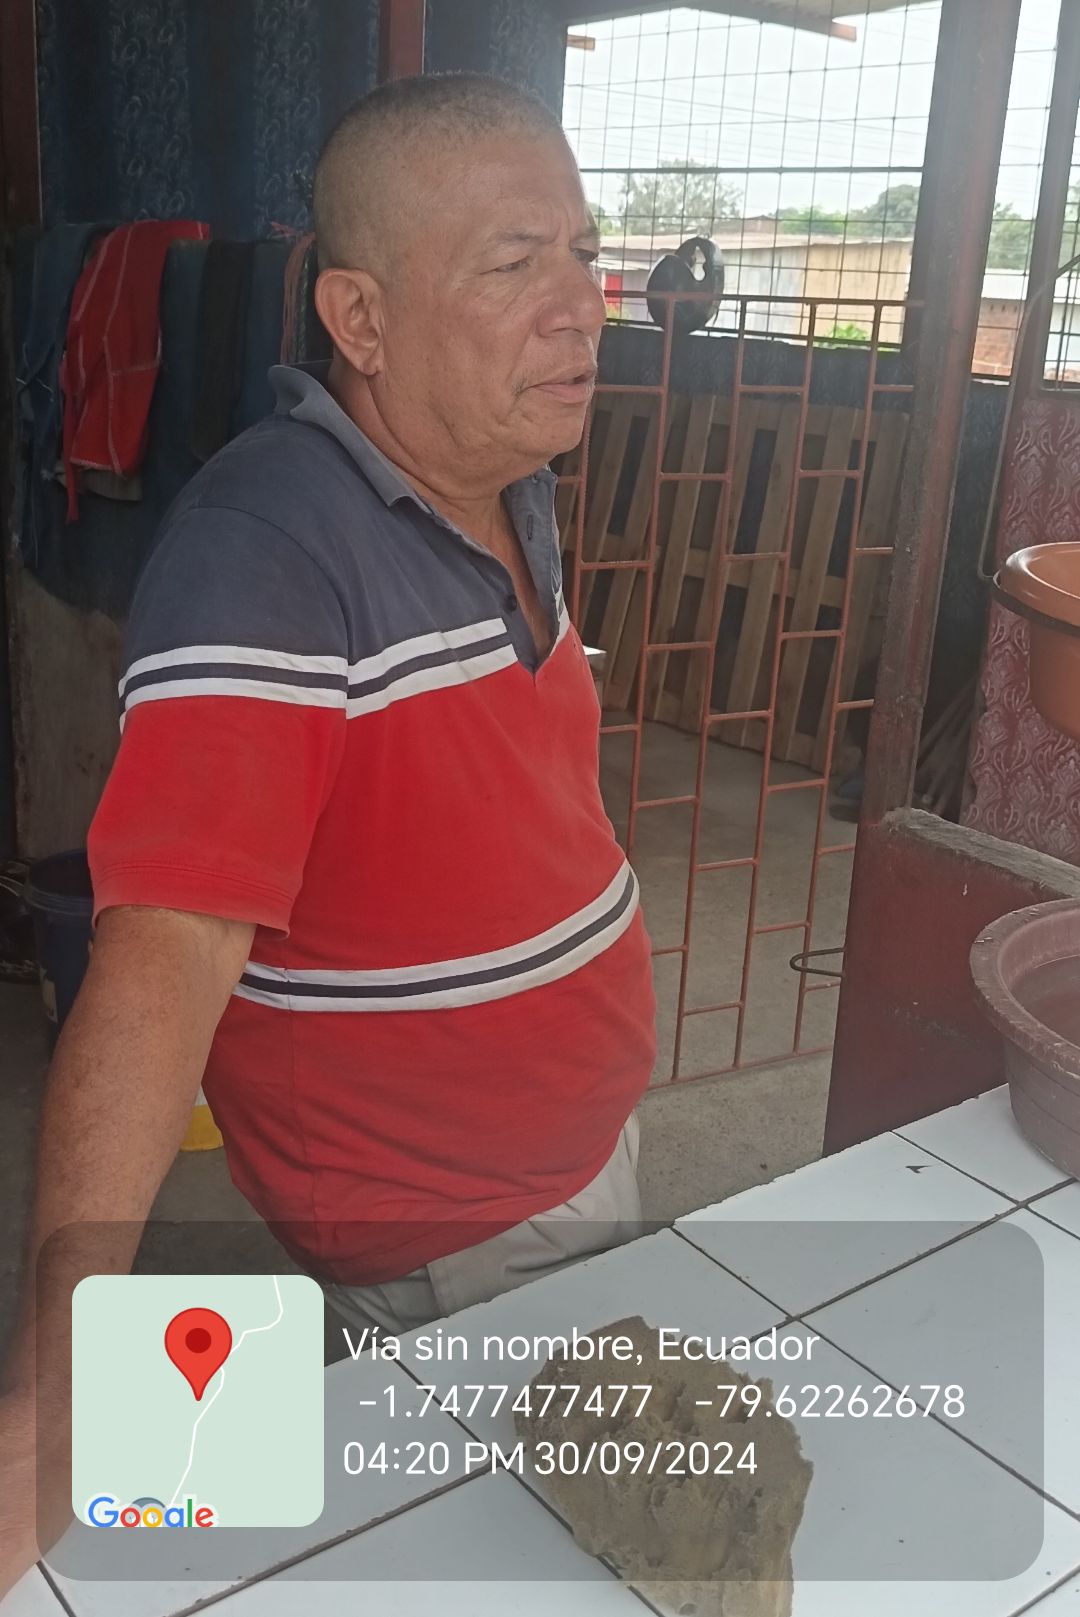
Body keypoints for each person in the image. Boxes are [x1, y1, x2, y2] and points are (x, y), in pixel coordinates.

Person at [0, 73, 657, 1595]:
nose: (581, 304)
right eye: (514, 263)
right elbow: (164, 957)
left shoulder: (505, 480)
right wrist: (66, 1363)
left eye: (583, 249)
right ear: (361, 320)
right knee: (507, 1555)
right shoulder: (268, 556)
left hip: (574, 1147)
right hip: (452, 1221)